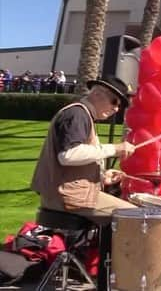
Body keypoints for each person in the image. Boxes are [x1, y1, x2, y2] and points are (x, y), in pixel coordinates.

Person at [30, 76, 137, 291]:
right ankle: (117, 280)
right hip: (66, 196)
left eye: (121, 106)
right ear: (97, 94)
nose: (117, 109)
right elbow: (68, 155)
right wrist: (114, 149)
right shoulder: (77, 113)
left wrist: (104, 177)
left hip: (66, 193)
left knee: (125, 214)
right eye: (115, 102)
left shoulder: (83, 116)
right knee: (134, 217)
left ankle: (105, 276)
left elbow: (74, 164)